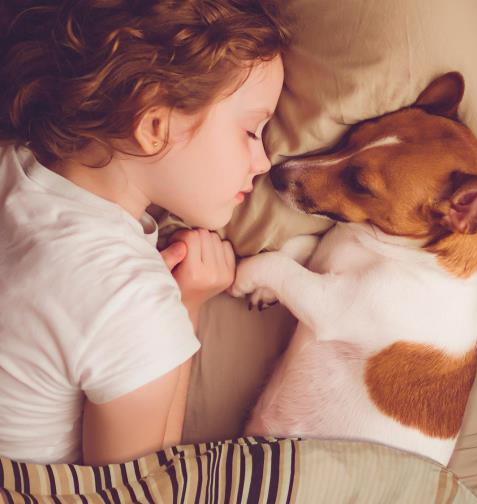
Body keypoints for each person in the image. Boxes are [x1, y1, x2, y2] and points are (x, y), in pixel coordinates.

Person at [0, 0, 288, 465]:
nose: (264, 162)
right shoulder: (132, 301)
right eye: (252, 131)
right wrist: (184, 307)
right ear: (154, 126)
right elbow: (137, 485)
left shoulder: (10, 161)